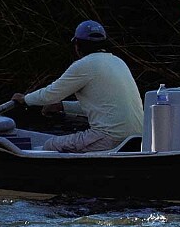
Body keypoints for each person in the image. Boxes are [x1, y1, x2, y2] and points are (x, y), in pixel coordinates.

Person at [11, 20, 143, 153]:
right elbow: (102, 106)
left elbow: (50, 94)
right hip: (137, 138)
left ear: (77, 45)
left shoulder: (84, 65)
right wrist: (63, 106)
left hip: (109, 138)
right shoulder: (118, 62)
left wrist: (25, 99)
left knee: (50, 145)